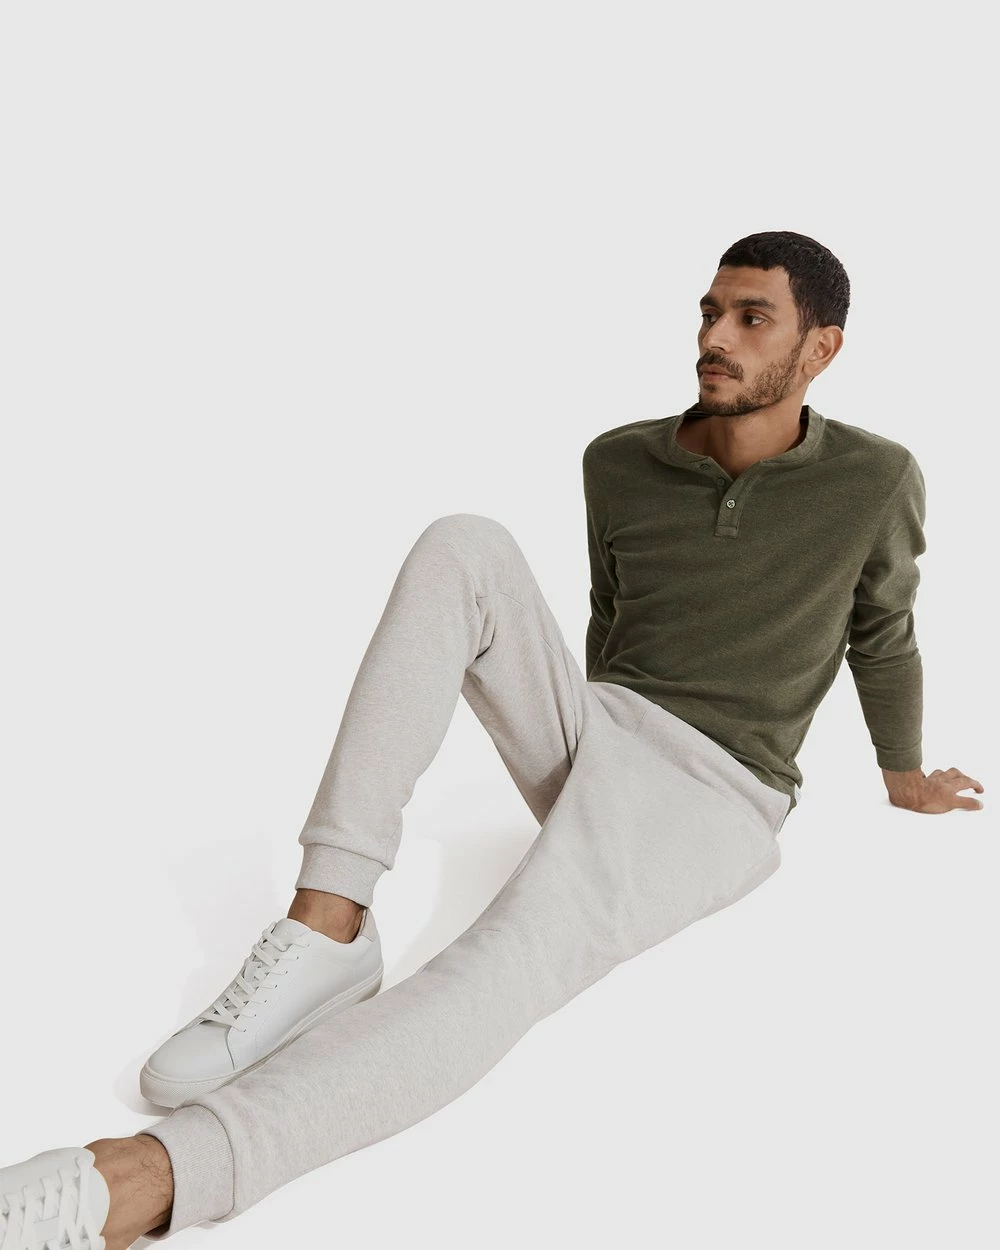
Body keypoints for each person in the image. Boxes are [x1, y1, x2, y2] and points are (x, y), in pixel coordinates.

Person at [1, 230, 984, 1250]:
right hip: (602, 725)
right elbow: (611, 621)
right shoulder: (619, 459)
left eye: (751, 318)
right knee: (466, 543)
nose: (714, 338)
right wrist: (581, 759)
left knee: (509, 959)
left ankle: (147, 1177)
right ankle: (330, 923)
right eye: (708, 311)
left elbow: (883, 633)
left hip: (715, 789)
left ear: (821, 347)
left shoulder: (876, 478)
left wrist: (904, 774)